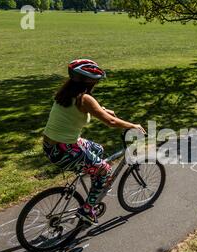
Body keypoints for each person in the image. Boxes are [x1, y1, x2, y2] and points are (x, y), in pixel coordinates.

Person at [43, 59, 145, 225]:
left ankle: (91, 176)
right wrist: (133, 125)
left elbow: (80, 110)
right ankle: (87, 209)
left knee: (97, 149)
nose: (96, 84)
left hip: (52, 145)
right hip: (65, 150)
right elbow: (111, 122)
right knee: (104, 170)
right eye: (96, 81)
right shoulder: (85, 99)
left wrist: (103, 110)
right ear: (89, 81)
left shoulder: (65, 93)